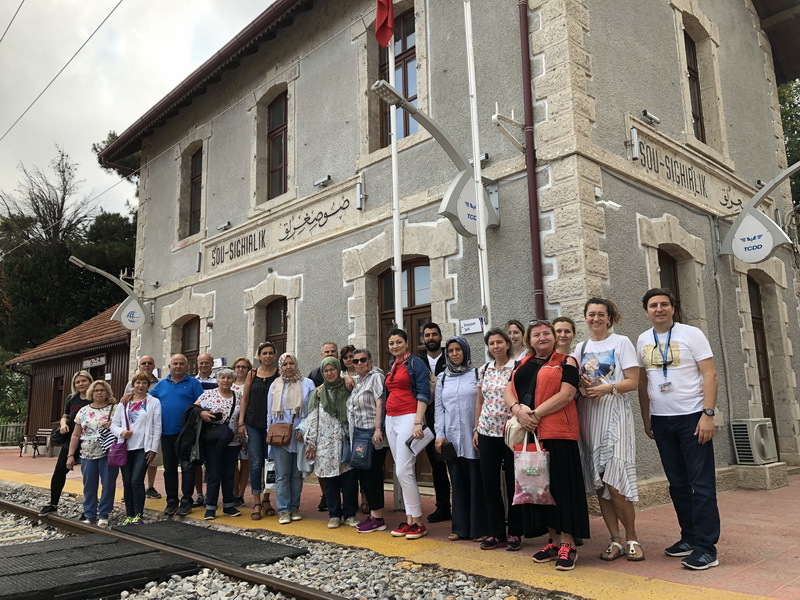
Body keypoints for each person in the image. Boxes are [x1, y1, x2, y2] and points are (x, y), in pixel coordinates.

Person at [636, 288, 720, 571]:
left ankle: (707, 549)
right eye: (653, 305)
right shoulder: (643, 339)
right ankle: (689, 537)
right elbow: (644, 382)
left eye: (664, 304)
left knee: (702, 484)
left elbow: (710, 374)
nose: (659, 309)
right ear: (646, 311)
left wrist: (708, 414)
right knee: (678, 484)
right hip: (662, 420)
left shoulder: (691, 334)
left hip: (692, 418)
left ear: (673, 308)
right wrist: (647, 417)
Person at [505, 320, 589, 571]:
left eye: (546, 333)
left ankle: (568, 544)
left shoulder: (567, 361)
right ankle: (553, 541)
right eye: (536, 335)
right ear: (529, 340)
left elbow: (566, 394)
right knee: (541, 489)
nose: (542, 337)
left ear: (553, 337)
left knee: (563, 489)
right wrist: (519, 411)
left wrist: (535, 414)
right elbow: (508, 391)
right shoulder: (522, 363)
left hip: (559, 432)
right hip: (532, 434)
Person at [572, 298, 642, 561]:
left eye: (601, 314)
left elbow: (633, 381)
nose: (596, 318)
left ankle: (632, 538)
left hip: (615, 413)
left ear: (610, 318)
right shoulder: (581, 347)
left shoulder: (621, 342)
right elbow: (576, 381)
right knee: (601, 481)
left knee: (616, 482)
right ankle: (615, 540)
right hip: (590, 414)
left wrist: (608, 388)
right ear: (586, 318)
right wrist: (581, 386)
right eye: (591, 314)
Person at [473, 328, 522, 551]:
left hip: (511, 434)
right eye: (492, 343)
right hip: (486, 433)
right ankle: (496, 533)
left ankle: (515, 532)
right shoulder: (484, 369)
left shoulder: (517, 368)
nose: (495, 346)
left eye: (499, 342)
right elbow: (479, 402)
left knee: (514, 483)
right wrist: (476, 429)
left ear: (507, 344)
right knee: (490, 484)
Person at [434, 336, 487, 542]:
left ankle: (479, 529)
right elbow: (439, 408)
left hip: (473, 435)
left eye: (458, 350)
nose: (455, 354)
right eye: (451, 351)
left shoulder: (476, 373)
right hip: (451, 438)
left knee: (476, 481)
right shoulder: (442, 378)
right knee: (457, 482)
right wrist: (440, 434)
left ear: (465, 351)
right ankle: (460, 528)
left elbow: (483, 403)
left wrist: (478, 429)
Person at [384, 328, 431, 540]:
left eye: (398, 342)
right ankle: (410, 519)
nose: (395, 346)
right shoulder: (394, 365)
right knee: (403, 470)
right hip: (391, 419)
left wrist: (418, 422)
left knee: (403, 470)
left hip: (408, 417)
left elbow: (423, 393)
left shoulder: (415, 363)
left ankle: (419, 521)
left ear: (406, 343)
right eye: (391, 343)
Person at [304, 356, 359, 528]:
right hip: (325, 444)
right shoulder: (319, 393)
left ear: (338, 369)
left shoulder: (348, 387)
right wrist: (311, 443)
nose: (329, 373)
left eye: (332, 369)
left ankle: (349, 514)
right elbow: (313, 419)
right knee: (330, 481)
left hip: (346, 441)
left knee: (349, 480)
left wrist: (347, 377)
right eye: (326, 371)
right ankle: (334, 514)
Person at [150, 354, 204, 516]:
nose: (178, 366)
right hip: (166, 433)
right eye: (175, 363)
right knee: (169, 469)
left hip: (186, 434)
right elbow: (147, 401)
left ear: (186, 366)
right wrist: (130, 396)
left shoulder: (193, 383)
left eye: (181, 363)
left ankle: (186, 501)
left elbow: (202, 403)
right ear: (169, 366)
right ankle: (172, 501)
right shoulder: (161, 385)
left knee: (188, 468)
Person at [266, 353, 314, 525]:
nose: (288, 367)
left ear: (296, 364)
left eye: (291, 363)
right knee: (282, 475)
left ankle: (295, 507)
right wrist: (269, 435)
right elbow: (269, 413)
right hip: (280, 436)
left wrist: (306, 430)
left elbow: (312, 411)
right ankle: (284, 510)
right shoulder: (275, 385)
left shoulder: (307, 383)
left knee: (296, 475)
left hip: (300, 435)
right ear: (281, 366)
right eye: (285, 364)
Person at [39, 370, 93, 516]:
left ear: (90, 381)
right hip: (70, 441)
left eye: (84, 381)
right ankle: (53, 504)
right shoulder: (71, 398)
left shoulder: (95, 397)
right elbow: (65, 416)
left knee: (89, 476)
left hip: (89, 442)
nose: (81, 384)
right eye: (78, 382)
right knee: (59, 472)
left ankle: (89, 509)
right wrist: (63, 424)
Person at [112, 371, 162, 525]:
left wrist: (153, 449)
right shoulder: (124, 402)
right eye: (138, 382)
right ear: (133, 385)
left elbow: (157, 426)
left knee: (136, 480)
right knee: (127, 481)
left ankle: (138, 515)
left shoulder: (153, 402)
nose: (141, 386)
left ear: (148, 385)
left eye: (144, 383)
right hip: (125, 447)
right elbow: (114, 424)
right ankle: (129, 514)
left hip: (143, 447)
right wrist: (121, 432)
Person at [66, 380, 118, 527]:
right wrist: (70, 455)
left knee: (108, 484)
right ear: (91, 393)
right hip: (87, 453)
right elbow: (76, 435)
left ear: (107, 392)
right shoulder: (83, 411)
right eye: (96, 390)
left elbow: (124, 426)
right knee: (89, 485)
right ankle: (90, 514)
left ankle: (104, 514)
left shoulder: (115, 409)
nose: (99, 393)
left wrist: (113, 425)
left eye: (102, 390)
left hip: (108, 452)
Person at [238, 342, 280, 519]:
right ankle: (256, 501)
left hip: (272, 426)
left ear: (274, 355)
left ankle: (266, 499)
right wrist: (241, 423)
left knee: (270, 462)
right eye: (264, 353)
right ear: (259, 356)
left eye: (270, 353)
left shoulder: (279, 374)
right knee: (255, 463)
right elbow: (245, 399)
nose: (267, 356)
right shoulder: (252, 374)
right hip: (253, 424)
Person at [349, 349, 389, 533]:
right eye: (355, 361)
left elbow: (380, 403)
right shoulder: (358, 381)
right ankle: (373, 514)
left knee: (373, 474)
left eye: (363, 360)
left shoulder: (376, 377)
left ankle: (378, 517)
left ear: (370, 361)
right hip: (359, 433)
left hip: (373, 433)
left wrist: (378, 429)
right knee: (364, 473)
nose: (359, 363)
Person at [195, 368, 242, 520]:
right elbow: (193, 409)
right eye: (223, 377)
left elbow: (243, 415)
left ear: (233, 380)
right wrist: (202, 413)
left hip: (232, 441)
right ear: (218, 380)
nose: (226, 380)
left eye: (229, 378)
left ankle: (229, 505)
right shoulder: (208, 394)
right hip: (213, 440)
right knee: (214, 473)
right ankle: (210, 507)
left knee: (229, 473)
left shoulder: (238, 396)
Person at [418, 322, 452, 524]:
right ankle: (443, 507)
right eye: (427, 335)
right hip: (429, 423)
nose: (430, 338)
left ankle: (463, 506)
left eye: (434, 334)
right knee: (437, 467)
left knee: (456, 466)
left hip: (451, 420)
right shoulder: (418, 362)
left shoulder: (451, 356)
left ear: (440, 336)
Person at [124, 356, 163, 501]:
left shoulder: (159, 383)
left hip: (151, 426)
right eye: (143, 363)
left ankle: (150, 487)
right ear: (139, 366)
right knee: (133, 475)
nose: (146, 365)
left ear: (154, 365)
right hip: (133, 433)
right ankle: (131, 493)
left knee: (152, 461)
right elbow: (125, 401)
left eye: (149, 363)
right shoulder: (130, 383)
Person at [231, 356, 253, 505]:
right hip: (231, 429)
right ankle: (233, 492)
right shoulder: (229, 384)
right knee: (233, 462)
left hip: (246, 427)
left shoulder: (251, 385)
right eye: (238, 367)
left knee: (245, 462)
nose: (240, 369)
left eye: (244, 367)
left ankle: (241, 494)